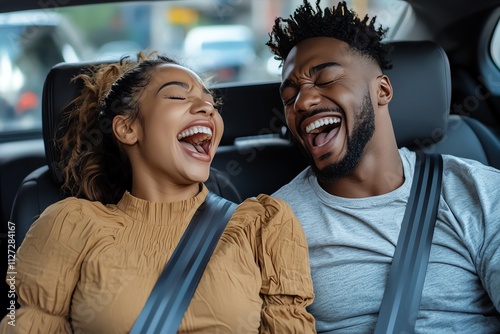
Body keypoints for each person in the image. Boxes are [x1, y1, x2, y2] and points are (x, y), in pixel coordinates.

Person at [0, 52, 316, 333]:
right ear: (127, 129)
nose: (207, 108)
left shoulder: (262, 226)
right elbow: (28, 324)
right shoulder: (69, 226)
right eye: (178, 98)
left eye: (211, 103)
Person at [266, 0, 500, 332]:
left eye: (326, 78)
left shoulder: (478, 191)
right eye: (289, 97)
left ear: (382, 90)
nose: (302, 102)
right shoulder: (274, 222)